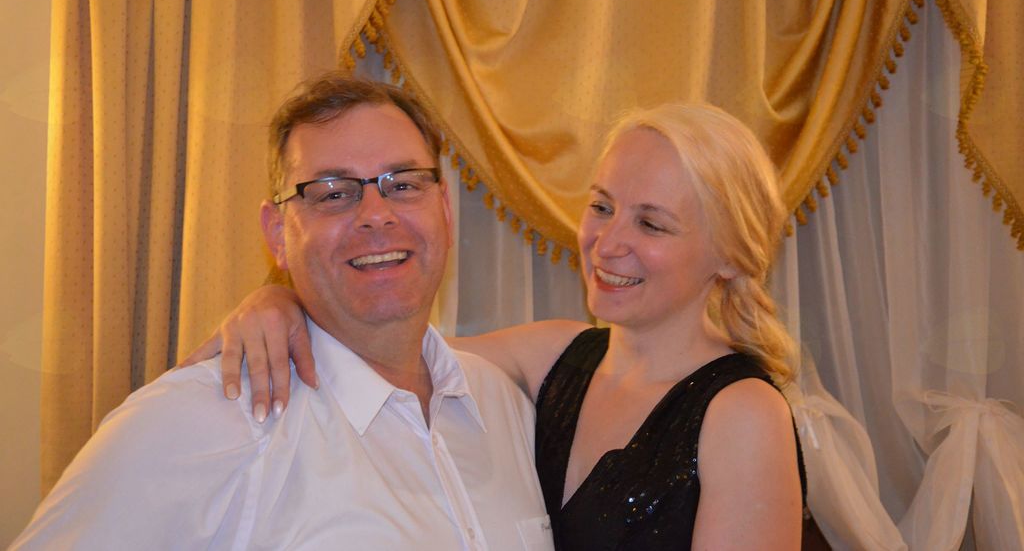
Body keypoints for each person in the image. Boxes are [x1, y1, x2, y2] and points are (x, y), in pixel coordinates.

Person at [186, 101, 807, 549]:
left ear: (730, 255)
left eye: (651, 224)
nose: (608, 242)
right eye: (601, 207)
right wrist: (281, 300)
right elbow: (377, 346)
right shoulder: (553, 356)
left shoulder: (743, 414)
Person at [13, 74, 553, 550]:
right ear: (277, 235)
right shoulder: (197, 422)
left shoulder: (505, 409)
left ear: (445, 212)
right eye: (333, 193)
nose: (376, 215)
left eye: (404, 184)